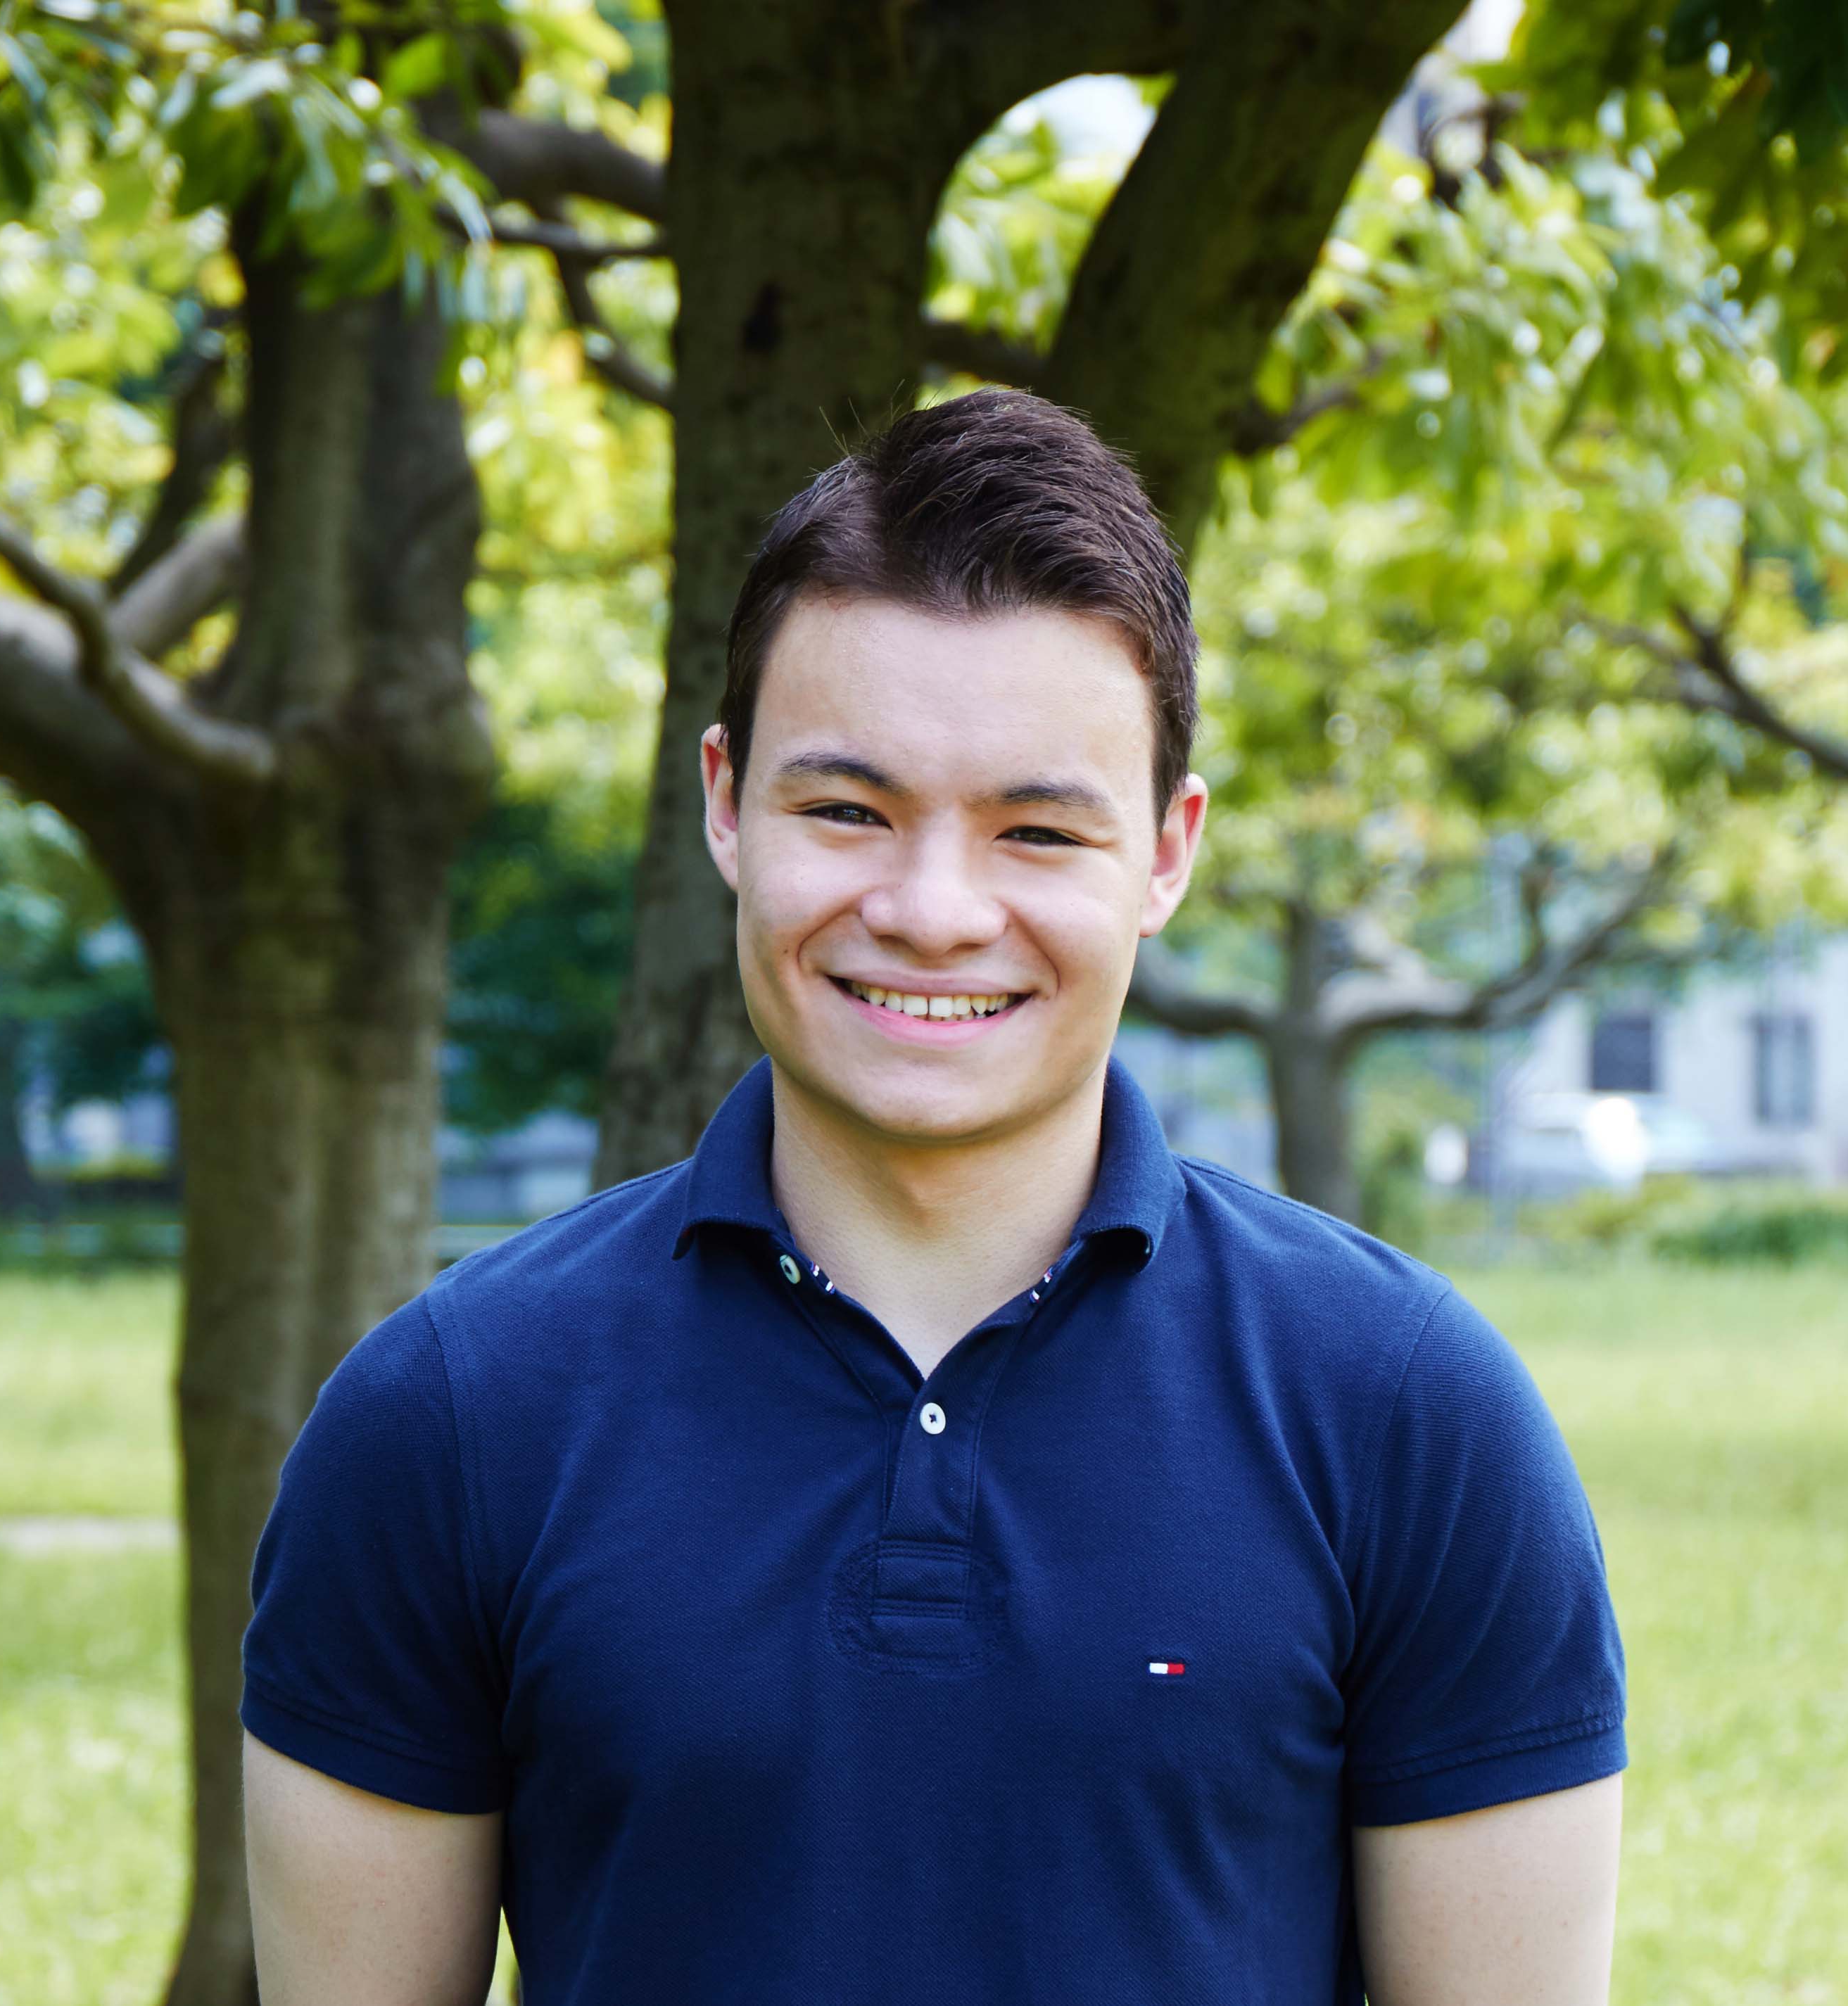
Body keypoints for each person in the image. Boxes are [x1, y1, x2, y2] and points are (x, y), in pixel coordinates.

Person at [241, 389, 1626, 2005]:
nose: (933, 909)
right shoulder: (446, 1416)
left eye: (1036, 830)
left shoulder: (1410, 1414)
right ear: (723, 801)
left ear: (1166, 852)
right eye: (848, 810)